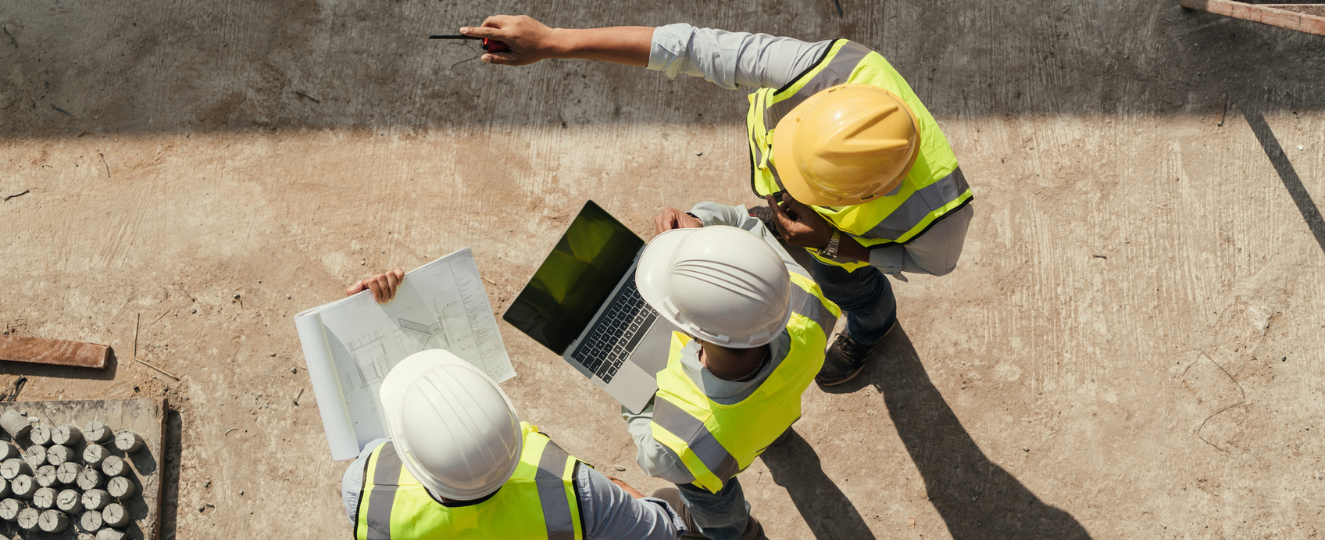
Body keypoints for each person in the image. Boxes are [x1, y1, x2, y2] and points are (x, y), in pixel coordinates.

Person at [456, 17, 974, 386]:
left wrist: (840, 246)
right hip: (820, 230)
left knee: (853, 290)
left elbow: (932, 266)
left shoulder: (940, 220)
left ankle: (873, 325)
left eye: (801, 187)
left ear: (864, 193)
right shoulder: (823, 69)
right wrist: (553, 41)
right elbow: (690, 47)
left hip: (842, 249)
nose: (780, 189)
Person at [622, 202, 840, 540]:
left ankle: (736, 534)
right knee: (762, 422)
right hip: (768, 414)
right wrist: (701, 228)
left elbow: (650, 449)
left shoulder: (679, 446)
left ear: (691, 333)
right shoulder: (804, 301)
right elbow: (747, 227)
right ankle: (774, 439)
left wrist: (629, 387)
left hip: (715, 453)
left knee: (711, 499)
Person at [338, 347, 688, 540]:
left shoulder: (366, 489)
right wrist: (618, 494)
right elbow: (660, 532)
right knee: (674, 499)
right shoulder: (578, 491)